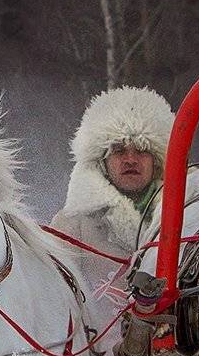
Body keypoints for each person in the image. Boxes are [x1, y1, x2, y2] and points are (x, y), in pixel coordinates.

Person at [51, 86, 172, 316]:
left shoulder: (185, 216)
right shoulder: (72, 225)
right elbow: (51, 301)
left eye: (142, 150)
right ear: (101, 160)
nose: (130, 159)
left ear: (157, 160)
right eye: (118, 150)